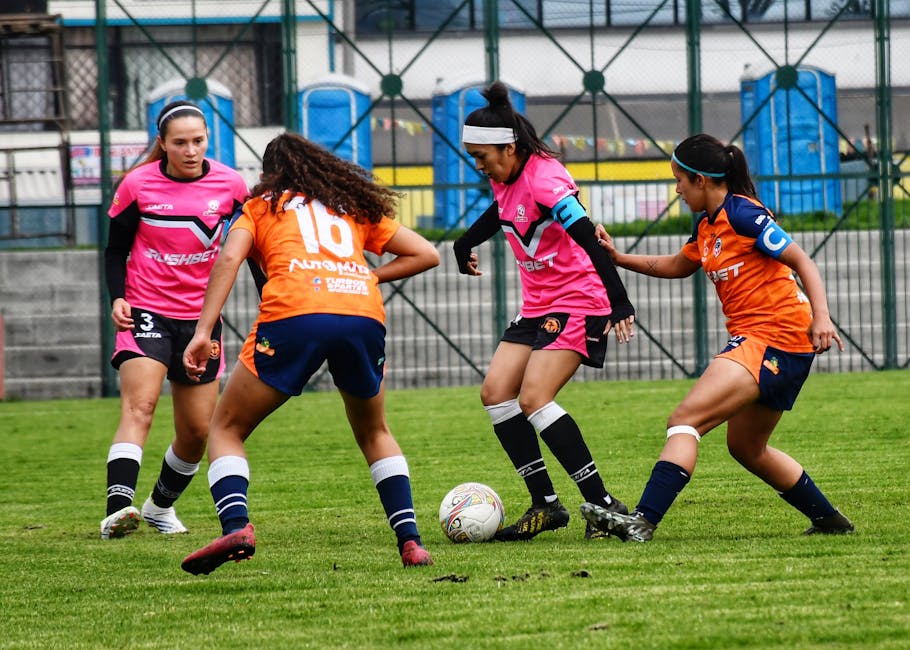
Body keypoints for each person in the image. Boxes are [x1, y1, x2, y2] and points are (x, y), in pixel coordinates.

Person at [180, 132, 440, 575]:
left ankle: (237, 526)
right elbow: (427, 253)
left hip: (295, 314)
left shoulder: (262, 207)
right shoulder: (349, 205)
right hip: (361, 313)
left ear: (267, 176)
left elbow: (228, 260)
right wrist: (369, 279)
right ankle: (411, 541)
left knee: (226, 427)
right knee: (375, 431)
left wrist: (203, 331)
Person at [582, 133, 854, 542]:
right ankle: (830, 520)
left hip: (775, 337)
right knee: (747, 448)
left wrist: (822, 318)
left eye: (679, 180)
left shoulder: (743, 215)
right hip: (770, 342)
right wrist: (620, 259)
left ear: (701, 180)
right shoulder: (707, 226)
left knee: (685, 420)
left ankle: (642, 520)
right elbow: (677, 264)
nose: (676, 189)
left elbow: (801, 261)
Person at [452, 81, 636, 542]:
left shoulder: (547, 180)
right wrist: (464, 242)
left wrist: (619, 303)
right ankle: (546, 505)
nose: (479, 166)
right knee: (495, 393)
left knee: (534, 397)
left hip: (579, 300)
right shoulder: (504, 176)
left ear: (509, 148)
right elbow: (503, 211)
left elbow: (590, 239)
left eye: (482, 156)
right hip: (537, 305)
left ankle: (602, 503)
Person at [100, 100, 249, 540]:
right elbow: (115, 250)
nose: (190, 150)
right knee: (140, 406)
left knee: (198, 432)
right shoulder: (137, 184)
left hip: (202, 322)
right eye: (180, 142)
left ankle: (159, 507)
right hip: (146, 311)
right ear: (162, 144)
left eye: (198, 141)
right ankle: (117, 508)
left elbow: (250, 247)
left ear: (208, 140)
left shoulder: (232, 185)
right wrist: (118, 297)